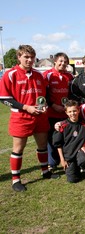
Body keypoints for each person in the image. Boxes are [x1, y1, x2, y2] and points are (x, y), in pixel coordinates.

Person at [0, 45, 54, 192]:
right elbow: (4, 98)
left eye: (32, 57)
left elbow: (45, 95)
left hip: (40, 116)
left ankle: (45, 171)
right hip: (21, 117)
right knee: (18, 148)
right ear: (19, 57)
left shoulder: (38, 75)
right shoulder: (10, 74)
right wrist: (26, 107)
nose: (29, 60)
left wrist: (45, 105)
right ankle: (16, 180)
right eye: (26, 57)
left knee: (42, 145)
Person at [43, 52, 74, 171]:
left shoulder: (69, 76)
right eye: (60, 61)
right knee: (52, 138)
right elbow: (43, 94)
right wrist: (53, 105)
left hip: (65, 113)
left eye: (65, 62)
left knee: (65, 137)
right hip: (52, 112)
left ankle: (67, 158)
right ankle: (52, 163)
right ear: (55, 61)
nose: (63, 63)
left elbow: (71, 94)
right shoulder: (48, 75)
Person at [52, 100, 85, 183]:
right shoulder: (62, 126)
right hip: (69, 155)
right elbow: (58, 144)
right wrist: (62, 159)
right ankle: (78, 168)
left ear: (78, 110)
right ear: (66, 113)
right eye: (70, 111)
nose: (73, 113)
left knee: (83, 159)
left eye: (74, 111)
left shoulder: (83, 124)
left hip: (80, 151)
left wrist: (84, 146)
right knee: (72, 180)